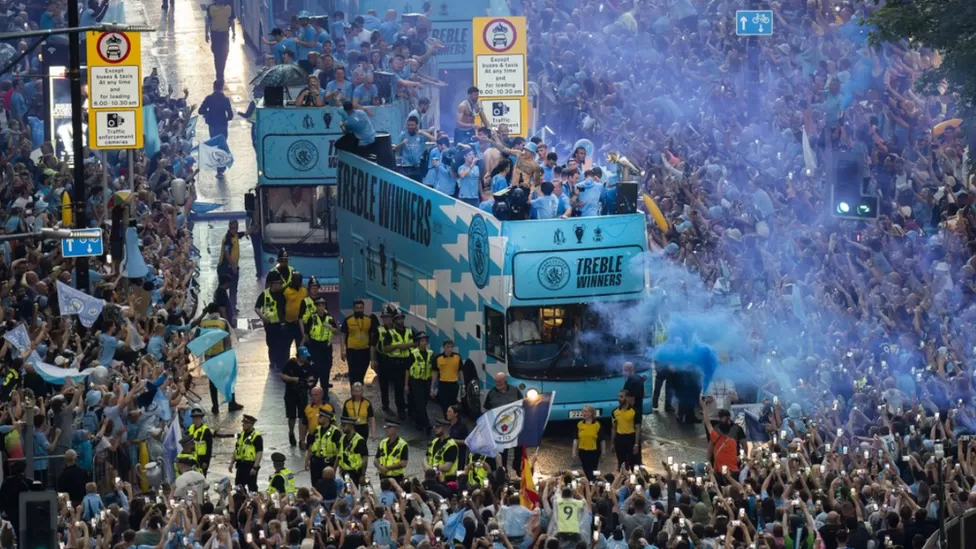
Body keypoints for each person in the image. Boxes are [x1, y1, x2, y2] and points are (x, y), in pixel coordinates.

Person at [195, 302, 243, 413]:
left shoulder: (203, 323)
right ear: (218, 311)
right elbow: (227, 339)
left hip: (208, 356)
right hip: (222, 355)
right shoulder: (223, 322)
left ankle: (215, 406)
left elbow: (197, 337)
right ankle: (231, 403)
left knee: (212, 381)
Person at [483, 373, 523, 472]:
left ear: (505, 381)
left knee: (519, 449)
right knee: (503, 452)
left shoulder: (515, 390)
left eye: (500, 381)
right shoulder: (492, 393)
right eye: (496, 381)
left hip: (515, 426)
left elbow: (522, 404)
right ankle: (504, 472)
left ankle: (517, 469)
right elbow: (486, 409)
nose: (497, 383)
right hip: (501, 429)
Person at [379, 309, 414, 416]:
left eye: (402, 318)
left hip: (408, 361)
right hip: (396, 363)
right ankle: (401, 410)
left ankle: (411, 409)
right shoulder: (390, 333)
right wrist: (398, 346)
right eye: (398, 319)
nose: (401, 321)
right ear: (394, 321)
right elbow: (385, 349)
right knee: (398, 388)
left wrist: (407, 346)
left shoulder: (409, 331)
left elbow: (416, 343)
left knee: (410, 387)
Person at [340, 298, 378, 389]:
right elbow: (343, 335)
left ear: (363, 308)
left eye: (361, 308)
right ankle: (354, 393)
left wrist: (373, 358)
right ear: (353, 308)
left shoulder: (369, 320)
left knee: (361, 374)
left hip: (365, 351)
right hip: (352, 351)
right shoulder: (348, 320)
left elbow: (373, 337)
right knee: (353, 374)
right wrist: (342, 350)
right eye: (357, 308)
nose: (359, 309)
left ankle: (359, 392)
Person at [198, 80, 233, 177]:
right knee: (222, 145)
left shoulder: (209, 98)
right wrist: (225, 119)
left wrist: (207, 113)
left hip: (213, 126)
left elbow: (200, 110)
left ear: (213, 87)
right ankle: (221, 168)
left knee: (216, 146)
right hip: (222, 125)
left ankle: (219, 169)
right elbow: (230, 115)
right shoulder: (225, 100)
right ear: (222, 87)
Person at [302, 297, 337, 389]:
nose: (321, 308)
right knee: (314, 370)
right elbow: (306, 334)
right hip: (314, 346)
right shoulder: (312, 317)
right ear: (316, 307)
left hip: (326, 347)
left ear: (325, 306)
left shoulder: (330, 317)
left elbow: (337, 331)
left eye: (322, 305)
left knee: (326, 370)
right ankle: (312, 391)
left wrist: (329, 326)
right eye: (318, 305)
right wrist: (302, 348)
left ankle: (325, 394)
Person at [255, 271, 288, 370]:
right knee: (271, 343)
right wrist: (263, 318)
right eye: (278, 283)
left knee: (281, 344)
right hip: (269, 325)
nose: (280, 285)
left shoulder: (281, 295)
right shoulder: (264, 294)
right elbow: (257, 308)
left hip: (280, 324)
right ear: (273, 284)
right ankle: (272, 361)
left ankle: (280, 362)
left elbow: (284, 309)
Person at [281, 346, 313, 446]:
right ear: (298, 356)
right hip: (290, 393)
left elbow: (311, 378)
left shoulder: (308, 365)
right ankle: (291, 432)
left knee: (302, 416)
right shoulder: (290, 363)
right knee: (291, 416)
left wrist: (309, 384)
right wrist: (293, 379)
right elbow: (283, 375)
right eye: (303, 357)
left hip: (302, 393)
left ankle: (301, 439)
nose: (305, 359)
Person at [374, 304, 402, 417]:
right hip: (382, 361)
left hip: (395, 361)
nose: (386, 319)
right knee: (384, 386)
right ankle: (385, 405)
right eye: (384, 317)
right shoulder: (379, 330)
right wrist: (373, 360)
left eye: (388, 317)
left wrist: (394, 308)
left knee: (398, 386)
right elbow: (372, 346)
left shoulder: (398, 330)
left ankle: (400, 408)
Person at [701, 403, 743, 477]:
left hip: (719, 473)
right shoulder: (733, 442)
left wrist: (704, 406)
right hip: (733, 473)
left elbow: (707, 422)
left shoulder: (715, 436)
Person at [405, 331, 434, 436]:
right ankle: (427, 425)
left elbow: (433, 369)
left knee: (423, 403)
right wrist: (406, 384)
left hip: (426, 381)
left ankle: (419, 422)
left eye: (425, 340)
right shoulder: (413, 353)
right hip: (415, 381)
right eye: (422, 341)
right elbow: (407, 369)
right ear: (418, 342)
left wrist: (432, 385)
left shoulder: (430, 353)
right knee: (420, 403)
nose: (424, 342)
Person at [306, 409, 341, 484]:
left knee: (327, 485)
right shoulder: (317, 430)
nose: (318, 419)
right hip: (315, 462)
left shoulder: (335, 432)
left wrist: (334, 469)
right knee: (315, 485)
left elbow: (339, 453)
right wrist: (307, 460)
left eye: (320, 417)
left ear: (326, 418)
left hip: (327, 463)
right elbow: (311, 447)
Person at [395, 115, 434, 181]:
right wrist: (402, 143)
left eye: (412, 125)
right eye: (408, 125)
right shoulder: (403, 134)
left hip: (418, 167)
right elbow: (395, 149)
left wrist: (424, 133)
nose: (410, 127)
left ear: (416, 125)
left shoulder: (421, 135)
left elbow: (434, 140)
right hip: (406, 167)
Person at [230, 414, 263, 492]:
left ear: (251, 424)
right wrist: (231, 463)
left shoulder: (256, 436)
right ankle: (242, 501)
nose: (243, 425)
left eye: (245, 423)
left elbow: (259, 452)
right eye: (243, 423)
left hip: (250, 466)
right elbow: (237, 450)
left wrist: (255, 467)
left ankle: (254, 503)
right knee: (238, 487)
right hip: (240, 465)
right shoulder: (241, 435)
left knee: (252, 488)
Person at [204, 0, 235, 82]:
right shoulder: (211, 8)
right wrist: (206, 33)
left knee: (225, 54)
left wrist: (234, 33)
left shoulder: (229, 8)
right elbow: (207, 21)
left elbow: (232, 21)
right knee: (217, 56)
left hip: (225, 35)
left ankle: (221, 71)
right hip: (215, 35)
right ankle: (219, 74)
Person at [611, 390, 640, 471]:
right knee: (621, 463)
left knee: (633, 463)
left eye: (621, 397)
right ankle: (623, 481)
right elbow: (613, 428)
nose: (619, 399)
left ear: (627, 398)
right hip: (620, 439)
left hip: (630, 438)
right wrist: (612, 443)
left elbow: (637, 428)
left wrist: (636, 444)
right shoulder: (614, 412)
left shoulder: (634, 411)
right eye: (618, 397)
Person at [572, 405, 603, 481]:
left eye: (585, 411)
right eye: (583, 411)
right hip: (583, 451)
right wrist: (573, 452)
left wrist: (603, 453)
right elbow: (576, 439)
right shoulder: (579, 424)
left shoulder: (597, 425)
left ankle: (593, 484)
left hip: (594, 451)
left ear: (591, 413)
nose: (583, 413)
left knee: (593, 471)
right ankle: (588, 485)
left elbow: (602, 440)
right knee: (585, 470)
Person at [431, 338, 462, 415]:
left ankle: (451, 418)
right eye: (447, 347)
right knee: (443, 403)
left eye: (451, 347)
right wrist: (432, 387)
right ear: (444, 347)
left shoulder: (457, 357)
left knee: (453, 403)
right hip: (443, 384)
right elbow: (435, 373)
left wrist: (463, 384)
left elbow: (460, 371)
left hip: (453, 384)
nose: (449, 349)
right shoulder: (438, 358)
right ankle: (446, 417)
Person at [425, 418, 459, 484]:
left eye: (437, 427)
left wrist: (431, 469)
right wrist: (426, 466)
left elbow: (447, 467)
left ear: (445, 428)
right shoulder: (434, 441)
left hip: (446, 480)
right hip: (432, 478)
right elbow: (426, 457)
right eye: (434, 426)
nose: (435, 429)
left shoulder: (451, 445)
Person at [338, 414, 368, 485]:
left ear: (351, 426)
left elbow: (365, 459)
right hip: (344, 472)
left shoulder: (359, 440)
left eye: (344, 425)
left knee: (352, 494)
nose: (342, 427)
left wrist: (362, 475)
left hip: (355, 473)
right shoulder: (342, 439)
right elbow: (340, 455)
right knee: (347, 494)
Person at [186, 407, 213, 475]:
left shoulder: (206, 431)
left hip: (201, 460)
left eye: (197, 418)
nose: (195, 419)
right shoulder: (189, 428)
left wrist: (206, 462)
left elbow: (209, 448)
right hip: (191, 460)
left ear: (201, 418)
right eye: (194, 418)